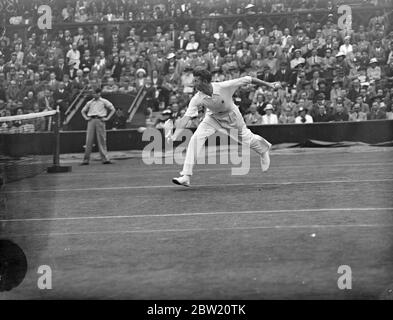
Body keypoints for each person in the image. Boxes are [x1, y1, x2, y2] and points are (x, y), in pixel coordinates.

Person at [167, 68, 280, 187]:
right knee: (195, 139)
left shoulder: (223, 86)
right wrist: (175, 135)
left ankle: (263, 150)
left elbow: (248, 79)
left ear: (205, 81)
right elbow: (186, 118)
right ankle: (186, 176)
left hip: (232, 117)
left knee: (247, 139)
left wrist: (269, 84)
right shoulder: (197, 98)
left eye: (196, 81)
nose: (193, 84)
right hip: (212, 118)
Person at [81, 88, 116, 165]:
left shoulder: (104, 101)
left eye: (95, 93)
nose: (94, 95)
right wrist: (86, 118)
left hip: (100, 120)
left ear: (99, 93)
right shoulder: (90, 102)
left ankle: (105, 159)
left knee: (102, 139)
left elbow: (113, 109)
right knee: (88, 140)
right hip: (91, 120)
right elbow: (83, 111)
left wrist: (107, 118)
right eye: (93, 93)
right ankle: (86, 160)